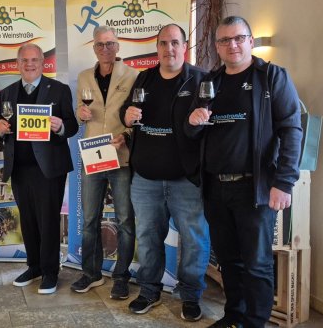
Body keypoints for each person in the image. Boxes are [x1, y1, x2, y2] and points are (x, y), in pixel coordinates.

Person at [186, 16, 302, 328]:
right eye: (224, 40)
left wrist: (284, 182)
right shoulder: (210, 82)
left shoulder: (272, 77)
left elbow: (292, 130)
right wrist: (192, 123)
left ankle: (254, 322)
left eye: (238, 38)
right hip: (215, 187)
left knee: (257, 263)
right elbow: (192, 130)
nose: (232, 45)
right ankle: (234, 316)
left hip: (254, 188)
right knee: (229, 260)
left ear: (250, 41)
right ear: (217, 47)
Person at [119, 24, 210, 322]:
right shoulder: (144, 78)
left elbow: (212, 126)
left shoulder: (200, 79)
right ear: (157, 47)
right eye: (163, 43)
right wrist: (126, 116)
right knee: (148, 238)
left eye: (174, 42)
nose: (168, 49)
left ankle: (191, 296)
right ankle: (149, 290)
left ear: (184, 46)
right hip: (145, 179)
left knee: (194, 240)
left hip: (187, 179)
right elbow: (126, 112)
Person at [0, 43, 79, 294]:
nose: (29, 64)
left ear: (43, 63)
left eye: (34, 60)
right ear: (17, 64)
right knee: (28, 220)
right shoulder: (6, 93)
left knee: (48, 220)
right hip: (19, 168)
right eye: (24, 60)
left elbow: (72, 126)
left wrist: (60, 126)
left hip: (49, 168)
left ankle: (50, 271)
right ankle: (34, 266)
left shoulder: (59, 90)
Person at [71, 25, 138, 299]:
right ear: (94, 48)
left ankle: (121, 276)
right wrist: (80, 113)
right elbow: (79, 112)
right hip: (92, 156)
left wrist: (127, 136)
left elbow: (138, 115)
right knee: (89, 219)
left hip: (120, 156)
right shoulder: (84, 76)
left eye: (110, 43)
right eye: (100, 44)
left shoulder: (133, 75)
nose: (105, 48)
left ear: (118, 46)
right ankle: (91, 273)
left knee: (125, 220)